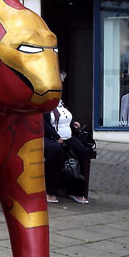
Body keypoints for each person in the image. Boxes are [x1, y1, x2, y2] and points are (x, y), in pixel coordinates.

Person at [43, 73, 89, 204]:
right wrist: (55, 136)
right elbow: (43, 122)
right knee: (56, 151)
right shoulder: (43, 101)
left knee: (81, 150)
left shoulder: (60, 101)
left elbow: (65, 116)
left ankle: (76, 191)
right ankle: (50, 190)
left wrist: (74, 123)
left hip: (66, 135)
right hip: (48, 137)